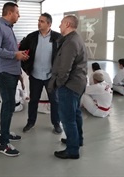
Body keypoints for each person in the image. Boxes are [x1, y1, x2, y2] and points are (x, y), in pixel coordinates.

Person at [0, 2, 29, 157]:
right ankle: (3, 143)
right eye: (17, 12)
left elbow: (10, 51)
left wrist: (18, 55)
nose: (19, 15)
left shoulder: (8, 28)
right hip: (4, 72)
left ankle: (4, 133)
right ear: (10, 12)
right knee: (7, 106)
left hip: (11, 71)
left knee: (10, 105)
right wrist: (15, 55)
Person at [48, 15, 87, 159]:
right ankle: (77, 140)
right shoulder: (76, 38)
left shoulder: (70, 42)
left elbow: (65, 69)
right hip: (78, 83)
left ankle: (72, 150)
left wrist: (58, 84)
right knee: (76, 114)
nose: (59, 26)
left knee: (67, 118)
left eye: (61, 24)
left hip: (70, 85)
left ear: (68, 24)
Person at [19, 12, 62, 134]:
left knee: (55, 101)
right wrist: (26, 67)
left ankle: (56, 124)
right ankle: (30, 122)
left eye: (42, 21)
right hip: (35, 75)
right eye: (38, 21)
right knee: (33, 100)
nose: (39, 23)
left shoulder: (57, 38)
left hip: (51, 77)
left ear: (49, 24)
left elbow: (63, 56)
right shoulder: (31, 37)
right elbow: (20, 51)